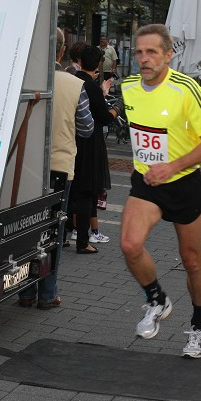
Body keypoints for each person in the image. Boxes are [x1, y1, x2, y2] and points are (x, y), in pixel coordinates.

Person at [119, 24, 201, 359]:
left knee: (191, 261)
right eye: (139, 52)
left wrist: (172, 166)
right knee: (130, 244)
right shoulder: (129, 88)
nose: (144, 59)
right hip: (147, 182)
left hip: (183, 184)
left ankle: (198, 323)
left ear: (168, 55)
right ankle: (156, 299)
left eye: (152, 52)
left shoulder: (186, 89)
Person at [18, 28, 94, 309]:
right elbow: (86, 129)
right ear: (62, 52)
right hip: (60, 166)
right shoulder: (75, 85)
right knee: (53, 230)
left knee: (24, 228)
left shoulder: (24, 79)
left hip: (24, 166)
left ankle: (24, 291)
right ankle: (47, 294)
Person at [71, 46, 117, 254]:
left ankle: (64, 236)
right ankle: (83, 240)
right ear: (98, 63)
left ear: (79, 60)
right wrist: (116, 109)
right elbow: (104, 117)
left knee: (71, 190)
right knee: (86, 191)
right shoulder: (90, 87)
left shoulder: (72, 80)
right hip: (90, 143)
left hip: (71, 140)